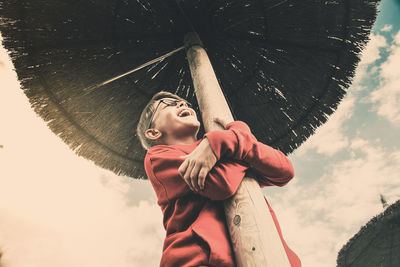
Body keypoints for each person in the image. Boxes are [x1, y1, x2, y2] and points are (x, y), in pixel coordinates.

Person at [136, 91, 301, 267]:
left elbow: (284, 170)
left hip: (268, 253)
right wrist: (240, 138)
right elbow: (221, 184)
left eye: (185, 103)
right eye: (168, 103)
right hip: (200, 259)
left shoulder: (222, 145)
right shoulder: (158, 157)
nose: (182, 104)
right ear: (153, 133)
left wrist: (224, 140)